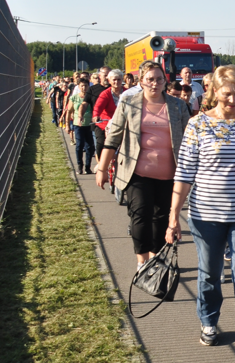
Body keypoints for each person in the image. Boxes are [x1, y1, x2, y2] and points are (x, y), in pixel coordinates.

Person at [167, 65, 235, 363]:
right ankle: (209, 320)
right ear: (215, 92)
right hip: (205, 214)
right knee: (211, 275)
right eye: (228, 94)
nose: (234, 100)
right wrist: (173, 216)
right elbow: (184, 172)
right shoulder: (198, 125)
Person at [97, 60, 191, 269]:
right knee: (140, 214)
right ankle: (142, 261)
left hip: (169, 174)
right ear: (141, 81)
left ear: (165, 81)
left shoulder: (177, 106)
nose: (154, 83)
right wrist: (102, 168)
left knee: (161, 218)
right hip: (137, 172)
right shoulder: (129, 103)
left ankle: (156, 260)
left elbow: (190, 138)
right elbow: (113, 137)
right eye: (150, 79)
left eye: (159, 79)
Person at [92, 69, 125, 165]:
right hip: (106, 123)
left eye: (119, 79)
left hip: (123, 123)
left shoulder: (127, 93)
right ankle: (101, 164)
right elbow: (98, 106)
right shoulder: (105, 94)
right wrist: (96, 115)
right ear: (109, 80)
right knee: (101, 143)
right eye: (114, 79)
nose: (116, 82)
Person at [71, 79, 95, 174]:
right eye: (82, 86)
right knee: (79, 145)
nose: (84, 87)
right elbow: (69, 111)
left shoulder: (91, 97)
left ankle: (87, 167)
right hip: (78, 125)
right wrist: (67, 124)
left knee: (90, 146)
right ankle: (79, 166)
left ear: (88, 86)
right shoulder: (74, 97)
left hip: (89, 124)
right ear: (78, 86)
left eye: (86, 85)